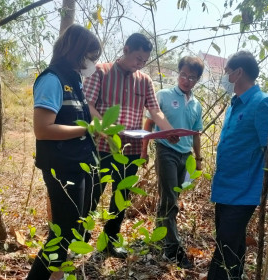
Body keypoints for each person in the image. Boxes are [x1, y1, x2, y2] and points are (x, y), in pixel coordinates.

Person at [83, 33, 176, 258]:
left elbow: (155, 110)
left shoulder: (144, 81)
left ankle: (110, 241)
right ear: (125, 50)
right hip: (103, 146)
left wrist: (168, 129)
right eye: (137, 58)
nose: (140, 64)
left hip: (132, 149)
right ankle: (80, 239)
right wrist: (105, 128)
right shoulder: (100, 72)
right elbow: (88, 105)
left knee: (122, 196)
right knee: (92, 193)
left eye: (144, 61)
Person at [28, 24, 102, 280]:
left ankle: (56, 276)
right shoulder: (52, 79)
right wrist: (85, 130)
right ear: (77, 52)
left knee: (70, 228)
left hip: (76, 162)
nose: (92, 63)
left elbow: (78, 120)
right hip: (60, 166)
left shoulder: (74, 81)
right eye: (91, 57)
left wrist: (96, 128)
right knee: (63, 232)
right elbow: (43, 128)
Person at [207, 50, 268, 280]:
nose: (225, 77)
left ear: (238, 72)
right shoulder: (234, 105)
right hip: (224, 188)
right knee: (232, 244)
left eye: (227, 72)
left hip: (244, 191)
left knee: (224, 249)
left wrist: (256, 173)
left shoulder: (262, 103)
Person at [142, 56, 204, 269]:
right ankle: (173, 249)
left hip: (184, 156)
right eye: (184, 75)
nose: (187, 80)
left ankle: (159, 238)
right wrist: (143, 152)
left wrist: (198, 159)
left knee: (171, 198)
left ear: (197, 80)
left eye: (192, 77)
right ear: (179, 74)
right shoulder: (164, 95)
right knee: (170, 200)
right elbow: (149, 123)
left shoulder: (196, 104)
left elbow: (196, 134)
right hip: (165, 151)